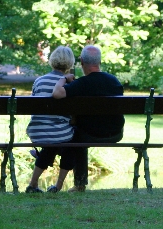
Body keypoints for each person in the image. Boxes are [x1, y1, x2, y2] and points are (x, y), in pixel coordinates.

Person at [52, 45, 125, 192]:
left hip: (89, 135)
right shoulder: (114, 81)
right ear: (99, 62)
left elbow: (58, 94)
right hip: (116, 133)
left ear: (82, 62)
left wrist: (64, 79)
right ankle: (78, 183)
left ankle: (79, 184)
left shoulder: (81, 84)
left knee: (77, 136)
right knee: (79, 133)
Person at [25, 46, 76, 193]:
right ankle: (58, 186)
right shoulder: (70, 83)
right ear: (70, 63)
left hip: (37, 131)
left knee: (51, 144)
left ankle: (33, 184)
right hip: (58, 133)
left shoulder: (39, 81)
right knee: (70, 142)